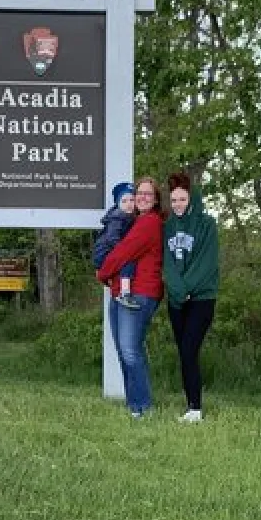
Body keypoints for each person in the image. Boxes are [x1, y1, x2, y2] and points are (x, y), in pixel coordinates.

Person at [97, 177, 164, 418]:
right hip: (121, 293)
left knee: (129, 350)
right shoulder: (133, 221)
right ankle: (134, 403)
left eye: (148, 194)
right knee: (125, 350)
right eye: (139, 193)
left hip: (139, 293)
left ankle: (142, 407)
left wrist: (102, 272)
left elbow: (123, 253)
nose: (142, 197)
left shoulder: (149, 223)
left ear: (155, 200)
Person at [163, 171, 219, 423]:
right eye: (174, 200)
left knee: (189, 348)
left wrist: (188, 288)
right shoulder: (167, 227)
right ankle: (190, 406)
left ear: (192, 199)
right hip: (176, 299)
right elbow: (167, 263)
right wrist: (177, 290)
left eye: (182, 200)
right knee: (184, 352)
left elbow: (206, 263)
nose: (177, 205)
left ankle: (195, 408)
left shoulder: (207, 225)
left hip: (201, 299)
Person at [93, 182, 141, 309]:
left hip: (106, 252)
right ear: (118, 204)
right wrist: (123, 249)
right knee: (128, 261)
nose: (129, 203)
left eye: (132, 200)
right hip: (103, 252)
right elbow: (111, 238)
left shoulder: (129, 217)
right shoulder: (118, 217)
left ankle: (109, 280)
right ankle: (125, 293)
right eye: (124, 201)